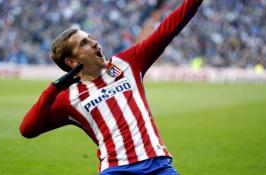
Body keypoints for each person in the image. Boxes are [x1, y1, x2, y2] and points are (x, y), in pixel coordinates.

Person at [19, 0, 204, 174]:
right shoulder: (68, 97)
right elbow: (27, 129)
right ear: (72, 61)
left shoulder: (128, 62)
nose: (95, 42)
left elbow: (167, 30)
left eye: (90, 37)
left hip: (157, 164)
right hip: (116, 169)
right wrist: (54, 88)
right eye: (84, 43)